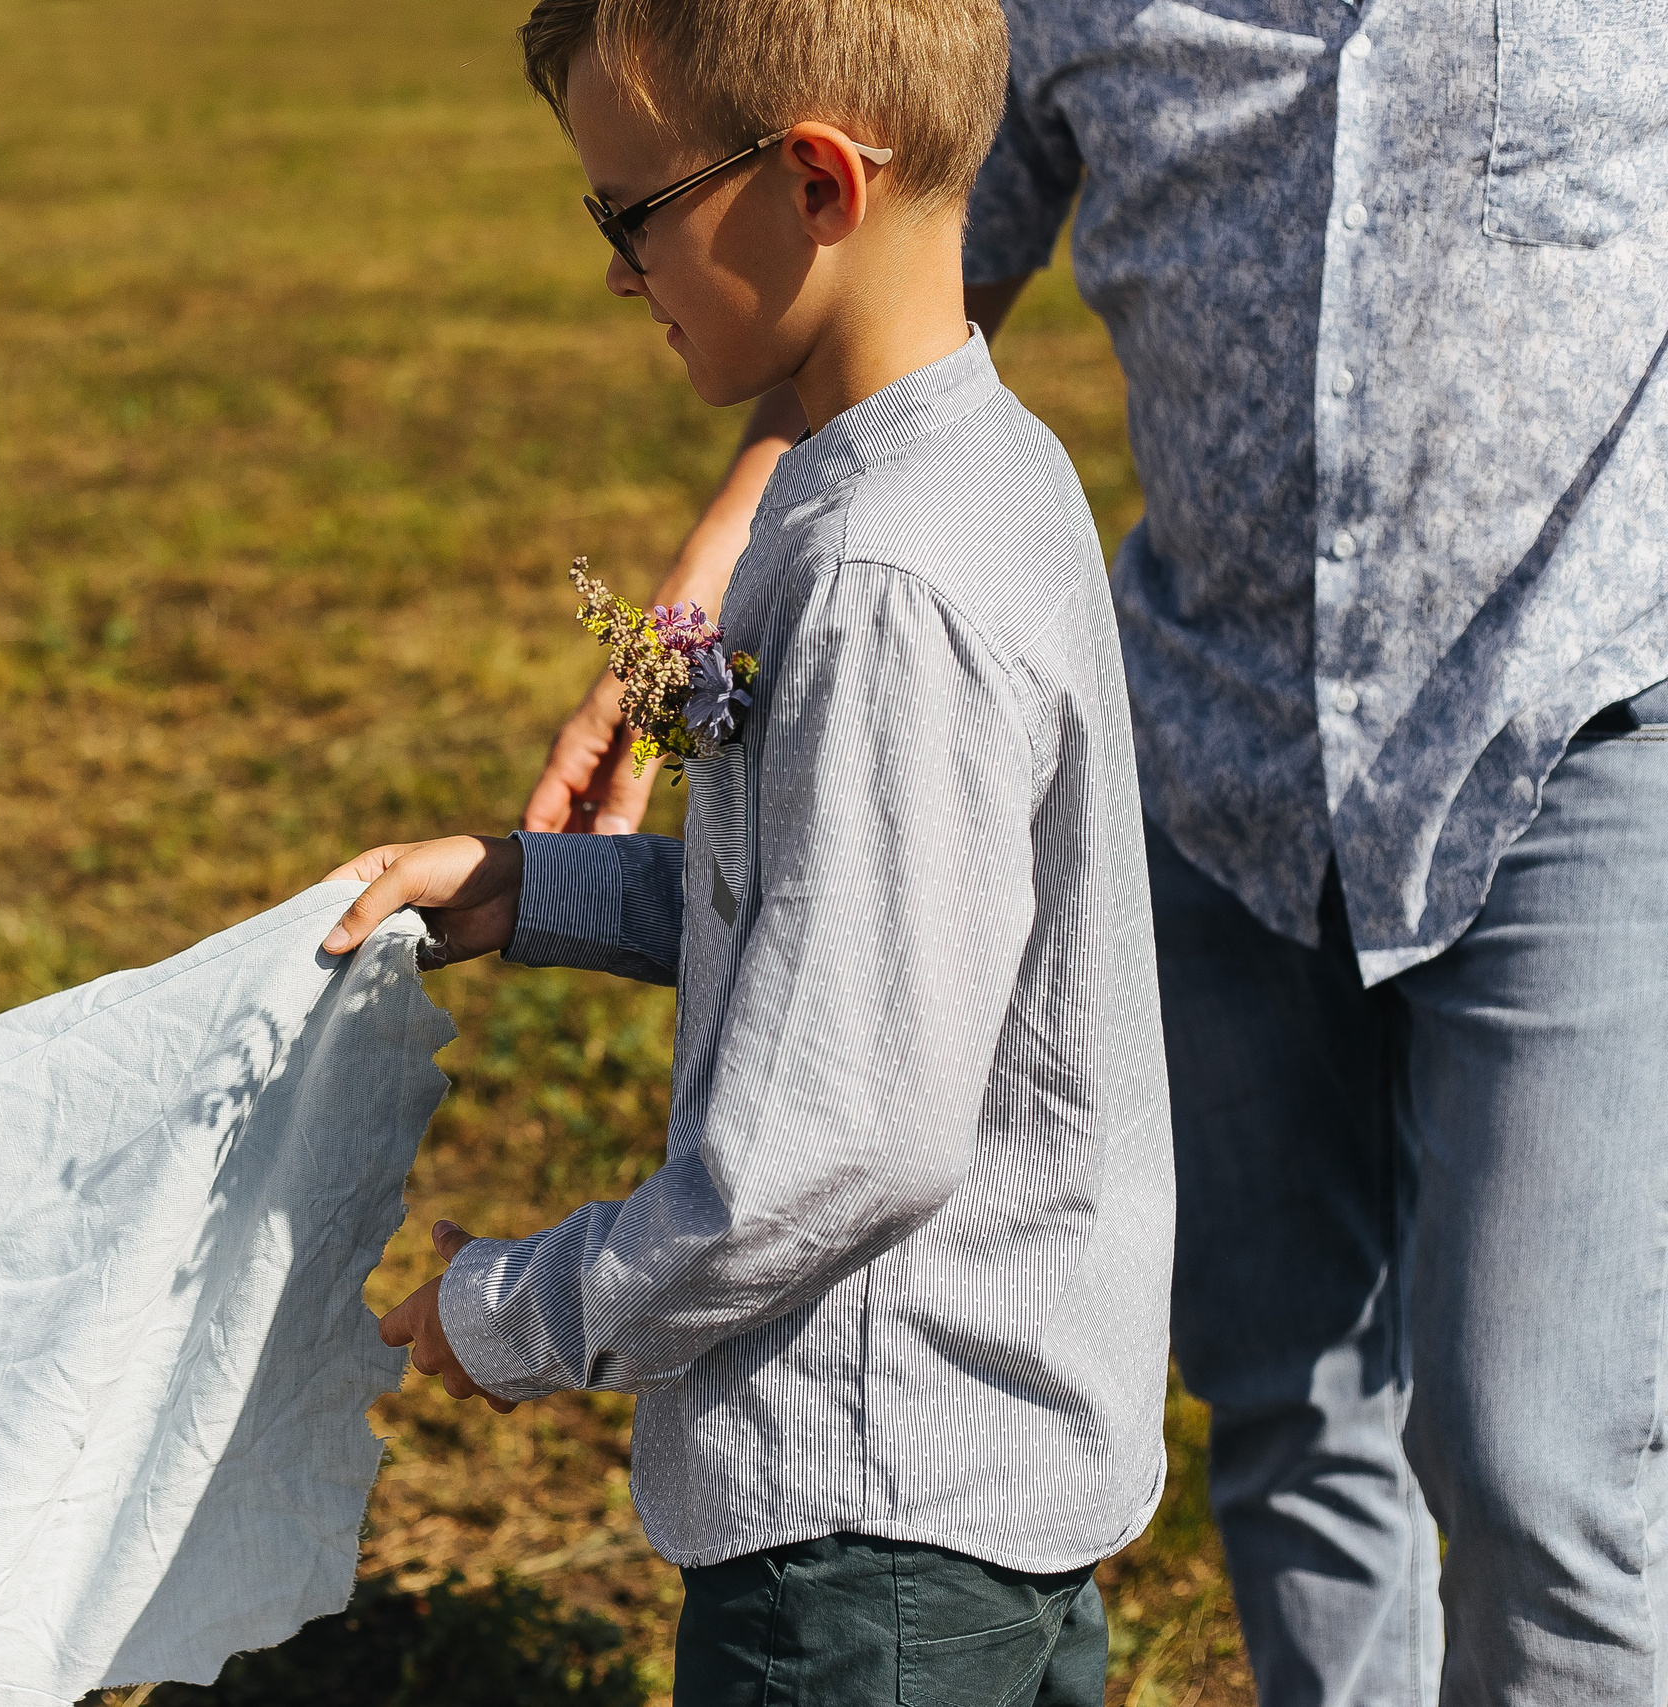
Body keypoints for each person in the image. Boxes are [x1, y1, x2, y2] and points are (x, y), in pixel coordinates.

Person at [522, 4, 1668, 1703]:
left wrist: (511, 1312)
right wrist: (714, 571)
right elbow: (895, 258)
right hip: (1214, 761)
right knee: (1284, 1393)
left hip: (1569, 735)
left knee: (1541, 1464)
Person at [321, 1, 1175, 1699]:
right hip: (983, 1471)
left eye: (629, 214)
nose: (619, 273)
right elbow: (857, 913)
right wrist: (530, 886)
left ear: (813, 183)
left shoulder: (883, 581)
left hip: (865, 1527)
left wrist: (518, 1313)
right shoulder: (987, 471)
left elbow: (837, 1145)